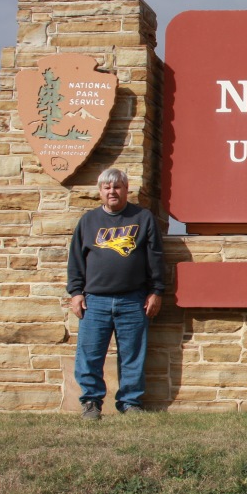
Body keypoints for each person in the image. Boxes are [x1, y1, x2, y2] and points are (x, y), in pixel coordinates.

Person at [67, 168, 165, 420]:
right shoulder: (88, 222)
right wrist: (76, 292)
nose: (112, 191)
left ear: (126, 189)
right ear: (100, 191)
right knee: (89, 355)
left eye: (117, 187)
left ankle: (130, 402)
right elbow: (76, 260)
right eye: (107, 187)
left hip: (134, 299)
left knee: (133, 354)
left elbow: (155, 258)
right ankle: (91, 402)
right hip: (94, 301)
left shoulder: (143, 218)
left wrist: (156, 291)